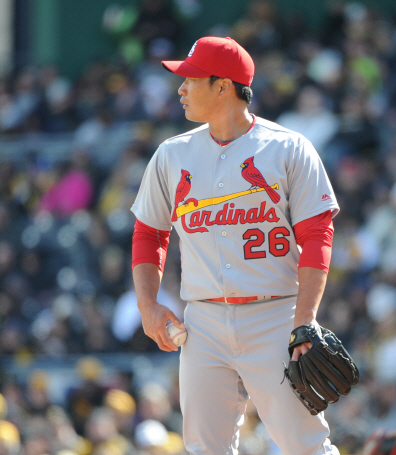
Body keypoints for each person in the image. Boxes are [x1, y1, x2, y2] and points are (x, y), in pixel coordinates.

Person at [130, 36, 341, 454]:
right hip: (203, 321)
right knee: (204, 449)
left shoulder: (288, 148)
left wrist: (305, 321)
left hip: (275, 316)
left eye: (190, 78)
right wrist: (148, 305)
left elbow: (318, 236)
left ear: (223, 86)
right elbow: (149, 233)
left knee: (305, 446)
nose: (181, 88)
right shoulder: (172, 155)